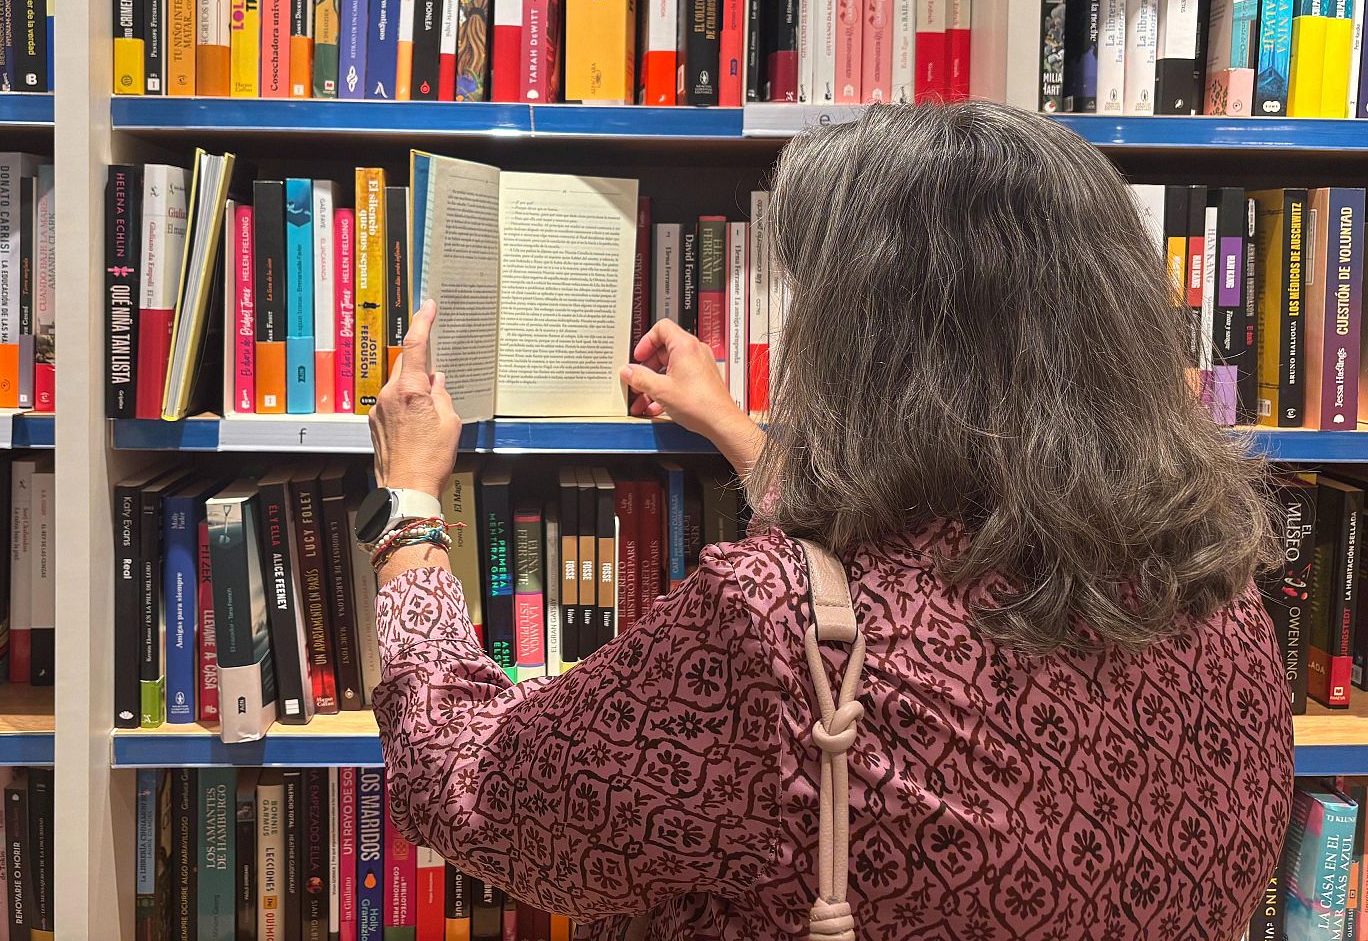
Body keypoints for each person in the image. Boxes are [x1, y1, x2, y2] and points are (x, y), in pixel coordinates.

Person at [363, 100, 1293, 940]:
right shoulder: (1216, 583)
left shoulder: (769, 628)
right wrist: (734, 428)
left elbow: (468, 789)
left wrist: (407, 504)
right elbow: (935, 560)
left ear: (864, 346)